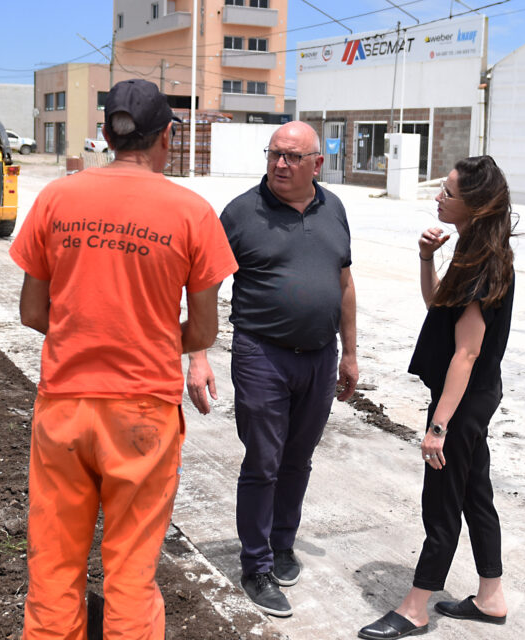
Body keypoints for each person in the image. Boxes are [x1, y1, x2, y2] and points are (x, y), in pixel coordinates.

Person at [10, 78, 237, 639]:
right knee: (131, 573)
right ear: (164, 138)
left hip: (63, 405)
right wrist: (147, 334)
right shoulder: (191, 211)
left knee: (55, 566)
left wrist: (87, 326)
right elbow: (204, 328)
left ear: (107, 134)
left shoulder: (57, 199)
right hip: (143, 414)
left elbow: (33, 313)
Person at [185, 120, 358, 617]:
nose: (281, 164)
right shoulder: (241, 213)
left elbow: (344, 282)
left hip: (321, 356)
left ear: (317, 164)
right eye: (274, 154)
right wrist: (198, 356)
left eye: (293, 157)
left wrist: (350, 350)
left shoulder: (335, 209)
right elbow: (204, 287)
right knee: (263, 460)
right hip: (262, 354)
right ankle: (256, 564)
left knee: (298, 459)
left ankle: (283, 543)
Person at [358, 156, 515, 640]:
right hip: (473, 396)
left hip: (461, 402)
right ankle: (490, 597)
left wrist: (438, 426)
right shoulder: (475, 251)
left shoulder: (484, 263)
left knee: (442, 501)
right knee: (475, 494)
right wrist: (426, 259)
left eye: (448, 193)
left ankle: (415, 607)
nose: (439, 198)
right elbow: (436, 308)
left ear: (475, 203)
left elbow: (465, 353)